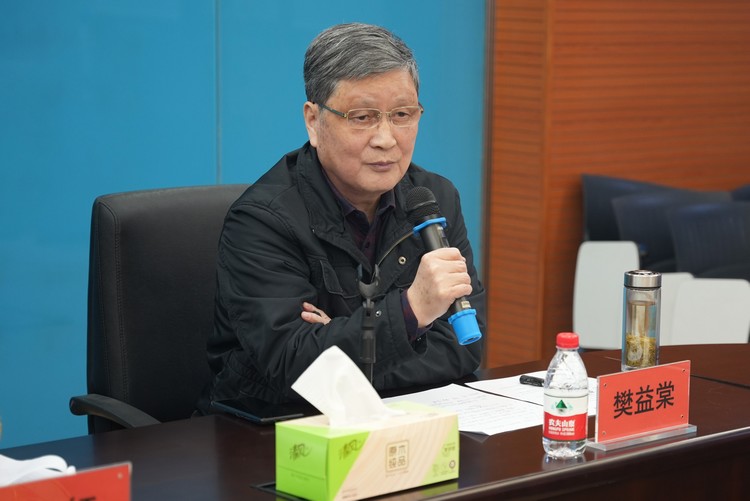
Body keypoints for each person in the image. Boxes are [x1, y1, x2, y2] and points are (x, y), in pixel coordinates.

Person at [199, 22, 485, 411]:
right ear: (313, 121)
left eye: (402, 114)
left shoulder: (434, 199)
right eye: (362, 117)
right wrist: (412, 312)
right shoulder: (261, 221)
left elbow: (464, 347)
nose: (386, 138)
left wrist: (336, 344)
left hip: (403, 421)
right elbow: (294, 369)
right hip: (274, 432)